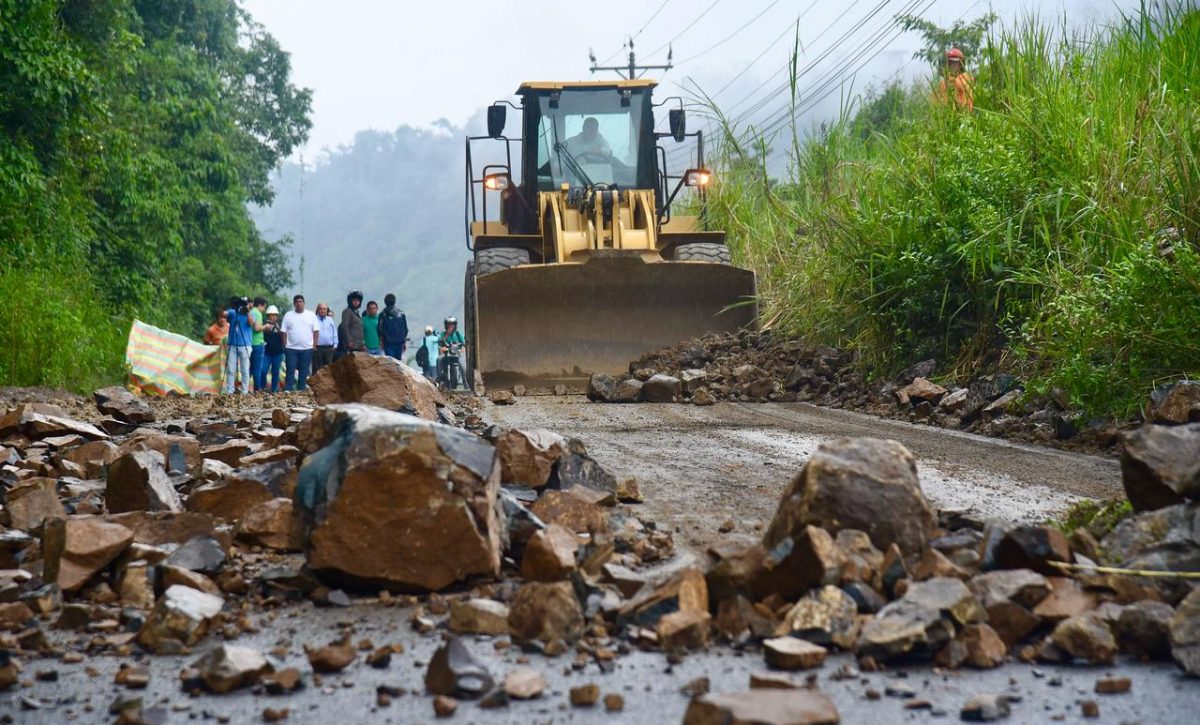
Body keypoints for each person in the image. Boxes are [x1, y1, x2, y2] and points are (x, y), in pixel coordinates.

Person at [281, 294, 319, 391]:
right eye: (297, 302)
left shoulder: (311, 315)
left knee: (304, 370)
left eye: (301, 301)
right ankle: (288, 389)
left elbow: (316, 331)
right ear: (294, 304)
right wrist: (285, 344)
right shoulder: (288, 315)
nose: (299, 303)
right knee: (290, 369)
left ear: (304, 303)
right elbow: (283, 331)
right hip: (291, 348)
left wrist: (314, 345)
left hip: (307, 348)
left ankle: (301, 389)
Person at [223, 296, 254, 395]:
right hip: (232, 344)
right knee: (231, 369)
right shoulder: (233, 312)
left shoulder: (249, 313)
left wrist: (247, 311)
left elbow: (252, 323)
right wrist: (231, 305)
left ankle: (245, 391)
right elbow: (223, 314)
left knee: (244, 369)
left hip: (245, 345)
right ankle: (230, 391)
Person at [935, 47, 974, 112]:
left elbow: (962, 86)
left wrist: (949, 78)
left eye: (955, 63)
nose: (952, 65)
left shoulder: (967, 77)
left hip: (965, 115)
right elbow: (937, 100)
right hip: (948, 116)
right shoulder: (943, 82)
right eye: (950, 62)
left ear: (961, 64)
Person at [378, 293, 409, 361]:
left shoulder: (383, 314)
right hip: (399, 342)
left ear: (385, 302)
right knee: (398, 362)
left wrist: (381, 341)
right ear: (394, 301)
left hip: (388, 343)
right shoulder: (401, 313)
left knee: (390, 362)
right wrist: (404, 341)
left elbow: (380, 329)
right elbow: (405, 329)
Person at [438, 316, 467, 387]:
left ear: (455, 325)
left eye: (452, 324)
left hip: (457, 354)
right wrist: (443, 347)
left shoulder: (457, 333)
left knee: (463, 367)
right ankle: (440, 378)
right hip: (446, 354)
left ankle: (466, 385)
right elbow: (440, 341)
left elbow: (463, 341)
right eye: (449, 324)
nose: (451, 326)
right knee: (439, 359)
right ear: (446, 325)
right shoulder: (443, 334)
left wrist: (463, 346)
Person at [262, 305, 285, 392]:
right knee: (263, 370)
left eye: (273, 315)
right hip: (266, 353)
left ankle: (274, 389)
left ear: (277, 316)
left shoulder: (281, 326)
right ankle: (262, 387)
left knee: (275, 371)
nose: (271, 317)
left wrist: (276, 327)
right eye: (269, 315)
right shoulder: (265, 326)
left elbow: (283, 336)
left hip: (278, 353)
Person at [249, 297, 269, 391]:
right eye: (264, 307)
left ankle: (244, 386)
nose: (264, 309)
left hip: (250, 343)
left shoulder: (250, 312)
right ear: (260, 305)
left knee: (250, 367)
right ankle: (257, 388)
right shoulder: (258, 313)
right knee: (257, 367)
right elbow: (257, 328)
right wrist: (266, 326)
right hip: (258, 343)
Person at [313, 302, 338, 372]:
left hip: (329, 348)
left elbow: (334, 333)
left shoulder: (330, 320)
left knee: (328, 369)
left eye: (324, 309)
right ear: (317, 310)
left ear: (327, 310)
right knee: (317, 369)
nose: (323, 311)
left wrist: (335, 345)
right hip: (317, 348)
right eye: (321, 309)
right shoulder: (314, 319)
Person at [339, 289, 365, 355]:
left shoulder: (357, 314)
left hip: (359, 346)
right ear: (350, 301)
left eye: (358, 301)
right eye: (354, 300)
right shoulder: (347, 311)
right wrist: (349, 341)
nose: (356, 302)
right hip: (351, 346)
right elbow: (345, 327)